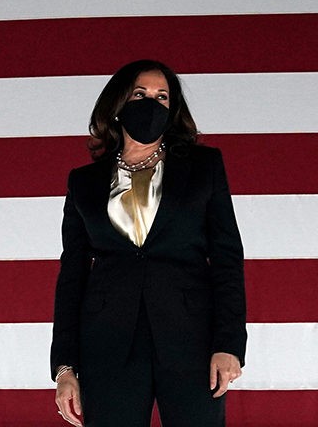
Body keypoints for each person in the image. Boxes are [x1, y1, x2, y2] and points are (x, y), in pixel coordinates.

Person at [51, 60, 247, 426]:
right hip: (107, 344)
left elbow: (227, 259)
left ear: (173, 110)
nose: (151, 104)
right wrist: (64, 367)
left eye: (162, 97)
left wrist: (229, 345)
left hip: (193, 341)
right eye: (140, 94)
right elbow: (72, 276)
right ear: (118, 103)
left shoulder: (205, 166)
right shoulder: (84, 182)